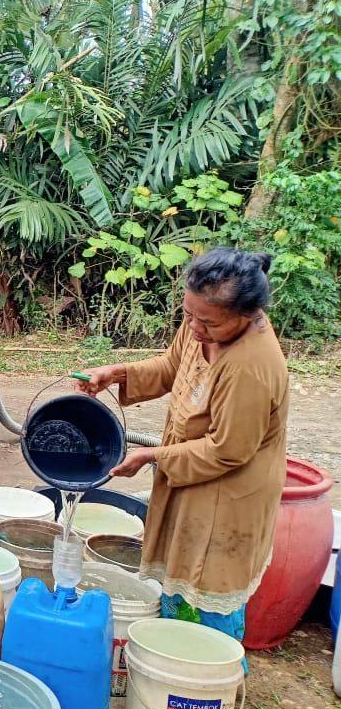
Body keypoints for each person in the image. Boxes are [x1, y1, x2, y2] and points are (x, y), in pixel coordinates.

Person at [77, 248, 289, 641]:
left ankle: (212, 675)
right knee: (178, 570)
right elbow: (173, 366)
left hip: (230, 494)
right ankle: (174, 647)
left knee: (210, 584)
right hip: (187, 470)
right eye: (188, 314)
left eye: (206, 322)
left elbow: (228, 450)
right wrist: (117, 373)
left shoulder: (252, 368)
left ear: (247, 315)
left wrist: (150, 456)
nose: (193, 327)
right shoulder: (202, 322)